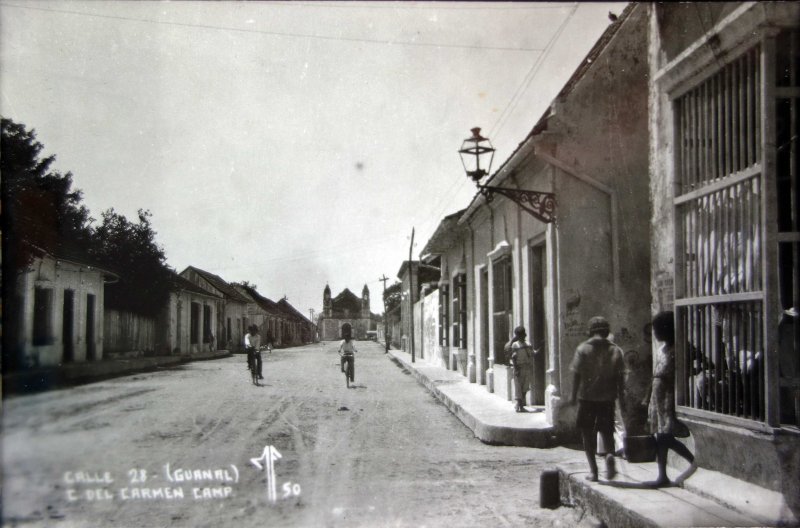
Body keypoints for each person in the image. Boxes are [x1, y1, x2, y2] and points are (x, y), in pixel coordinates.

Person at [568, 316, 626, 482]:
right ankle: (609, 454)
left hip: (587, 399)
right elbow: (620, 380)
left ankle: (593, 471)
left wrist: (572, 397)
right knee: (607, 432)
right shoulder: (616, 350)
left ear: (590, 331)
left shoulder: (583, 349)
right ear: (606, 331)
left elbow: (576, 375)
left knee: (587, 434)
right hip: (607, 399)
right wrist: (622, 400)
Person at [647, 311, 696, 487]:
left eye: (657, 329)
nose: (655, 333)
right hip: (657, 397)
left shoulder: (682, 348)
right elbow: (655, 375)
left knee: (665, 437)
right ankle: (662, 476)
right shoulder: (662, 349)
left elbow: (701, 363)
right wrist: (648, 398)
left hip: (669, 396)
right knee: (661, 436)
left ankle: (695, 462)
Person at [507, 326, 535, 412]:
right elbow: (514, 358)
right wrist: (516, 369)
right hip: (519, 368)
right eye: (520, 335)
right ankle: (520, 405)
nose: (522, 336)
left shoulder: (528, 344)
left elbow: (532, 353)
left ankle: (519, 404)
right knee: (518, 388)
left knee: (525, 387)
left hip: (527, 368)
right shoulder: (515, 345)